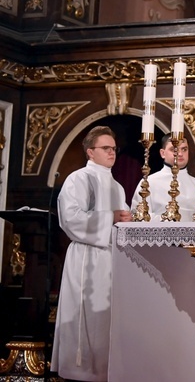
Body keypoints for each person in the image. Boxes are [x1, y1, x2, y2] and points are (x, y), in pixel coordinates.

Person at [52, 126, 132, 381]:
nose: (112, 153)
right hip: (86, 258)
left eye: (114, 149)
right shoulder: (78, 179)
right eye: (105, 148)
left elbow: (121, 221)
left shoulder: (117, 187)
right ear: (90, 152)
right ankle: (80, 372)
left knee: (108, 319)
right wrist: (111, 217)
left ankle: (107, 371)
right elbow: (71, 219)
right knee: (87, 317)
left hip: (112, 260)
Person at [131, 135, 195, 221]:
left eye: (184, 149)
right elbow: (139, 216)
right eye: (174, 149)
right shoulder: (149, 183)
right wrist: (168, 221)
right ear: (162, 153)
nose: (180, 154)